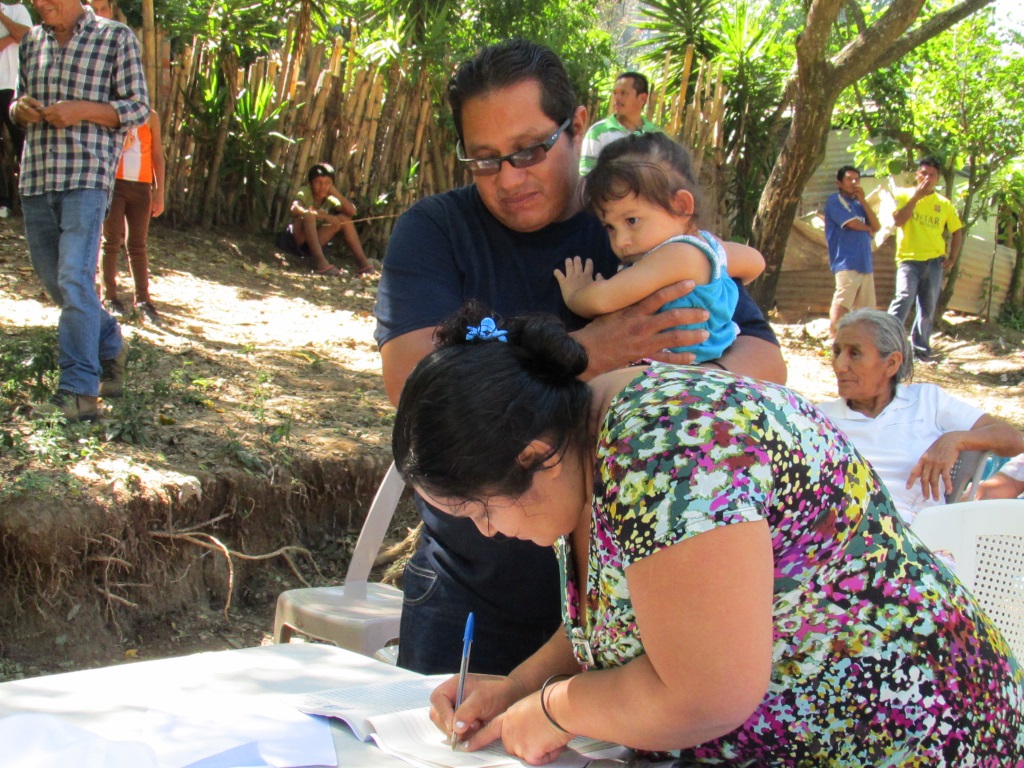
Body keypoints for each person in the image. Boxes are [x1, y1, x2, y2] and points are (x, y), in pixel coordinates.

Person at [390, 303, 1024, 766]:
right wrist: (518, 687)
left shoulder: (666, 450)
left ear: (533, 457)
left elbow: (705, 693)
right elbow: (634, 608)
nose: (488, 533)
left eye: (481, 511)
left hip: (914, 740)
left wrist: (554, 709)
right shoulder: (579, 437)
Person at [374, 39, 786, 676]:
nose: (510, 177)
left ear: (578, 126)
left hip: (636, 591)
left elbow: (763, 363)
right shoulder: (435, 230)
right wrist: (587, 354)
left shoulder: (634, 220)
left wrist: (663, 389)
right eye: (484, 160)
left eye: (530, 150)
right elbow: (412, 382)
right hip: (472, 588)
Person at [11, 0, 148, 421]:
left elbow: (138, 107)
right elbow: (17, 101)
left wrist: (82, 110)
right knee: (59, 283)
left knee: (74, 278)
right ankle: (110, 342)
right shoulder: (33, 40)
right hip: (36, 177)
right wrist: (21, 110)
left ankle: (79, 392)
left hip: (86, 178)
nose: (39, 4)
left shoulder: (115, 37)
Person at [556, 132, 763, 363]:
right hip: (707, 364)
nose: (621, 240)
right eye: (610, 227)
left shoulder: (676, 255)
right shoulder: (708, 247)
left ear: (682, 206)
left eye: (632, 221)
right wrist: (718, 278)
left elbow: (602, 300)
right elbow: (756, 262)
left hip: (672, 374)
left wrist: (576, 293)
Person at [817, 308, 1023, 523]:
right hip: (841, 533)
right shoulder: (819, 418)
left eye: (854, 354)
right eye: (837, 352)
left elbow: (1012, 440)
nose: (839, 365)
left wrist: (954, 439)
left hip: (918, 535)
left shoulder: (927, 401)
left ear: (891, 364)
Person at [87, 0, 165, 324]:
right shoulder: (110, 110)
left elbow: (158, 155)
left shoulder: (151, 117)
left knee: (138, 244)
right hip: (113, 184)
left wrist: (159, 192)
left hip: (141, 187)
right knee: (111, 242)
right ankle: (111, 296)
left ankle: (144, 300)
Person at [888, 156, 963, 362]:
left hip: (934, 262)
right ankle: (885, 344)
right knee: (903, 299)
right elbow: (898, 220)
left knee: (928, 308)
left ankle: (920, 351)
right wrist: (916, 197)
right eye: (923, 173)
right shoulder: (904, 194)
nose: (927, 178)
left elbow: (957, 231)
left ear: (937, 178)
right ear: (916, 174)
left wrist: (953, 257)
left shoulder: (944, 204)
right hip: (908, 260)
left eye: (932, 175)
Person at [278, 162, 375, 277]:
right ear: (310, 183)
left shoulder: (329, 198)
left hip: (312, 244)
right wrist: (323, 216)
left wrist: (335, 193)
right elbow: (294, 208)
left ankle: (363, 263)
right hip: (294, 240)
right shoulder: (306, 191)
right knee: (309, 215)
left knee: (344, 219)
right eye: (318, 182)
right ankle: (321, 262)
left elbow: (353, 212)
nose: (323, 186)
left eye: (327, 183)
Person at [824, 165, 879, 337]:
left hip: (865, 263)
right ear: (839, 182)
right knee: (842, 302)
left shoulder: (859, 204)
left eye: (857, 179)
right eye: (849, 179)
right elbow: (852, 223)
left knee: (866, 310)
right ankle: (835, 337)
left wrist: (863, 201)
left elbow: (876, 226)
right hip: (846, 261)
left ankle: (860, 341)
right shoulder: (835, 200)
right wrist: (867, 228)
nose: (854, 182)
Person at [578, 72, 662, 176]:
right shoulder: (597, 132)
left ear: (643, 98)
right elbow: (585, 177)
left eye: (623, 93)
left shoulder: (657, 136)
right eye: (615, 93)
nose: (617, 98)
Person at [0, 0, 30, 219]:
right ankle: (3, 202)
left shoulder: (17, 10)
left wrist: (2, 17)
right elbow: (18, 35)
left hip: (13, 85)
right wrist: (11, 36)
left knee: (23, 142)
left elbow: (27, 36)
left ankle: (31, 196)